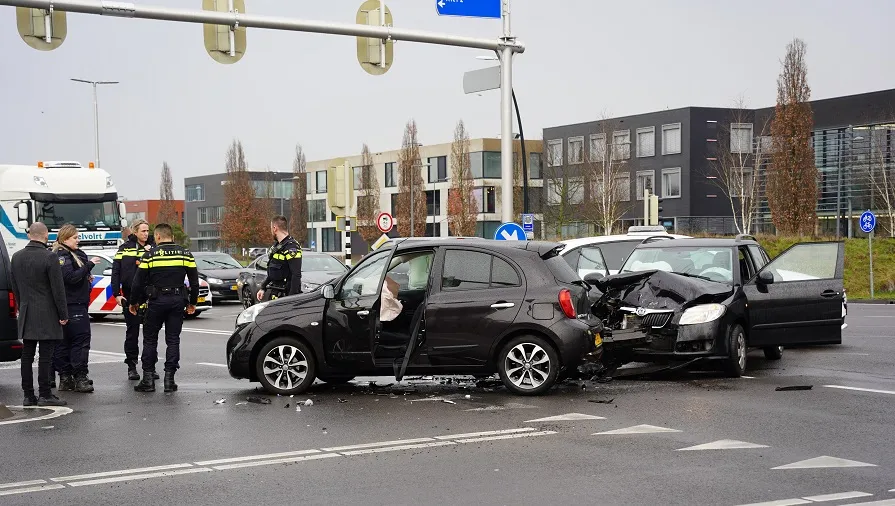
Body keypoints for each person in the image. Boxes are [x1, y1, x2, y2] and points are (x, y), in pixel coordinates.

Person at [129, 223, 199, 393]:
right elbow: (194, 282)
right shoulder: (185, 254)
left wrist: (134, 302)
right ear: (172, 237)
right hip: (177, 301)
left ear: (158, 237)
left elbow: (138, 282)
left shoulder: (150, 255)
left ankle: (148, 379)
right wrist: (192, 302)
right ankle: (169, 380)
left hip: (156, 301)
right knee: (173, 339)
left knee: (150, 339)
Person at [9, 222, 69, 407]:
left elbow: (15, 287)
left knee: (27, 355)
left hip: (27, 311)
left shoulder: (16, 257)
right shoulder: (49, 257)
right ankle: (45, 394)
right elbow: (57, 290)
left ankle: (28, 395)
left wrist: (22, 305)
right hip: (47, 313)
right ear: (46, 236)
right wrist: (63, 313)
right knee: (45, 355)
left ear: (29, 235)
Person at [52, 224, 103, 394]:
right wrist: (88, 266)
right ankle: (78, 377)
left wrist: (86, 276)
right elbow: (70, 278)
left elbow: (77, 276)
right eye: (75, 238)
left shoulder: (74, 254)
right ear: (65, 238)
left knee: (65, 342)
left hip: (75, 303)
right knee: (80, 341)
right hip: (72, 304)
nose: (78, 240)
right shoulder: (62, 256)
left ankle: (66, 378)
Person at [111, 218, 155, 380]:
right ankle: (131, 366)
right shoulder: (124, 249)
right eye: (143, 231)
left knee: (151, 334)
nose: (146, 233)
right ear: (135, 232)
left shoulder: (154, 248)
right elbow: (115, 272)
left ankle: (150, 366)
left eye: (147, 230)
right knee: (132, 333)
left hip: (150, 296)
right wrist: (116, 294)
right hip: (131, 297)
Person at [256, 215, 302, 302]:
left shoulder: (291, 247)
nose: (271, 232)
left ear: (274, 228)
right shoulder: (277, 246)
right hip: (276, 294)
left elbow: (296, 275)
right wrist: (263, 288)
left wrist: (291, 299)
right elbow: (274, 272)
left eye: (271, 229)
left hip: (286, 295)